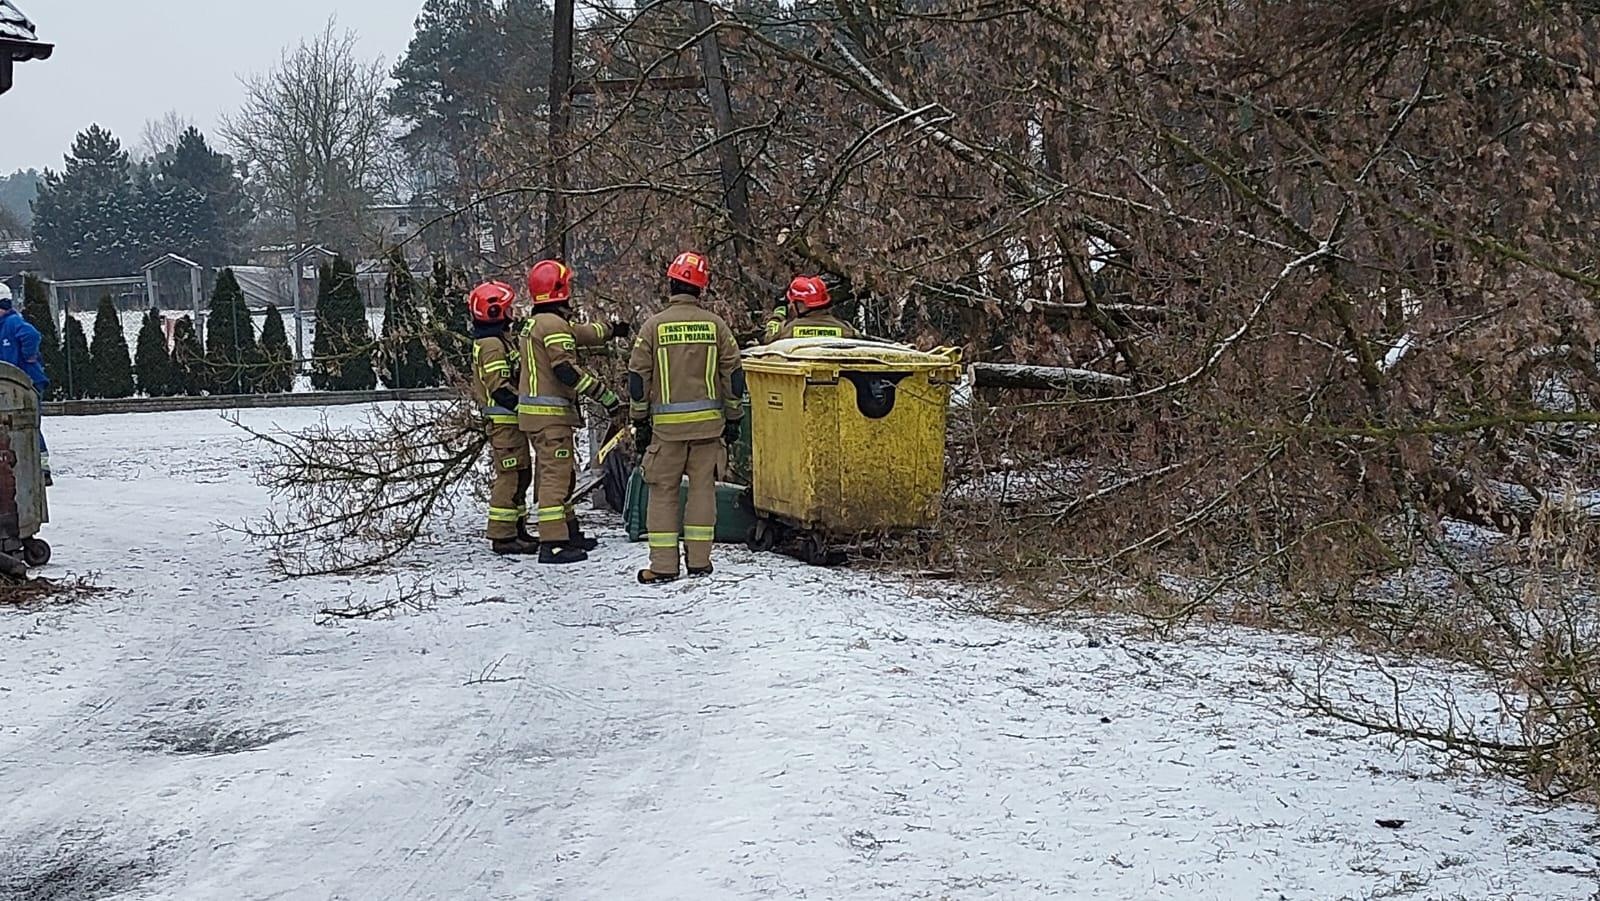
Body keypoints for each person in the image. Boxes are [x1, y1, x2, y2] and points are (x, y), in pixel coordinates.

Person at [628, 251, 744, 584]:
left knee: (663, 491)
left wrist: (640, 420)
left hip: (666, 432)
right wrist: (733, 417)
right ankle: (700, 562)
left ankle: (663, 565)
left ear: (670, 284)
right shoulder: (716, 326)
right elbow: (733, 376)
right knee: (702, 491)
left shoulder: (653, 327)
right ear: (701, 289)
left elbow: (638, 379)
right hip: (709, 429)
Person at [517, 260, 630, 565]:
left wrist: (611, 330)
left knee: (561, 475)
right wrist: (605, 396)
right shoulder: (553, 326)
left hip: (537, 418)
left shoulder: (538, 323)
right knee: (555, 478)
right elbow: (565, 369)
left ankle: (567, 532)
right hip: (550, 418)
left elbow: (579, 333)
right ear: (560, 289)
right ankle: (552, 544)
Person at [467, 281, 537, 556]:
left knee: (522, 474)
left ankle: (516, 529)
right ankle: (503, 536)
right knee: (510, 476)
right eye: (507, 308)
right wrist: (525, 408)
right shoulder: (492, 345)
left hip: (510, 425)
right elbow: (499, 387)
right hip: (504, 424)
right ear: (496, 311)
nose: (511, 313)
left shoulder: (496, 340)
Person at [0, 284, 50, 485]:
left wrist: (29, 356)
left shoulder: (12, 323)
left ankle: (41, 468)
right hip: (10, 386)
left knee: (28, 424)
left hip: (26, 384)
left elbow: (32, 335)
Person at [770, 275, 859, 342]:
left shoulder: (786, 330)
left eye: (792, 302)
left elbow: (767, 335)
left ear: (800, 305)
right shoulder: (846, 329)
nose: (790, 306)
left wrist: (778, 314)